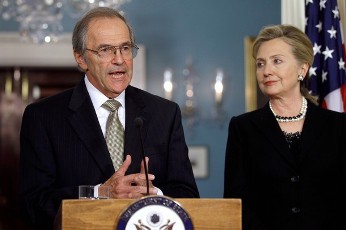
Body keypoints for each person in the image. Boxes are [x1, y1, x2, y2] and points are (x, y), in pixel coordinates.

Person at [19, 7, 199, 229]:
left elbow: (189, 195)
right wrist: (99, 193)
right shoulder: (43, 117)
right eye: (106, 50)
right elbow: (33, 204)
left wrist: (153, 194)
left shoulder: (165, 113)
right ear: (81, 58)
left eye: (125, 48)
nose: (119, 60)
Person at [223, 24, 346, 230]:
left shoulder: (338, 126)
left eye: (277, 61)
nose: (266, 71)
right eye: (260, 64)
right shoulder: (242, 128)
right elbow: (236, 204)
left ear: (302, 68)